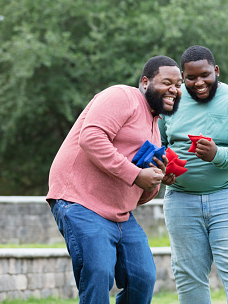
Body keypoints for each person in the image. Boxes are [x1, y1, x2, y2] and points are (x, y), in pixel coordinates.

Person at [46, 55, 182, 304]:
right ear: (145, 82)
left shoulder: (155, 130)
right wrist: (136, 174)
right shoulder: (122, 96)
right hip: (80, 202)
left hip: (120, 215)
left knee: (142, 278)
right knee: (98, 274)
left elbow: (137, 192)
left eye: (179, 84)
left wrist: (157, 179)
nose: (174, 89)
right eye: (167, 82)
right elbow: (91, 137)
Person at [159, 45, 228, 303]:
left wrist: (217, 154)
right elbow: (157, 144)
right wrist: (162, 170)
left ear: (215, 70)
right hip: (182, 199)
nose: (199, 82)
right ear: (183, 77)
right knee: (187, 273)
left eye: (205, 75)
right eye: (191, 78)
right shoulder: (170, 102)